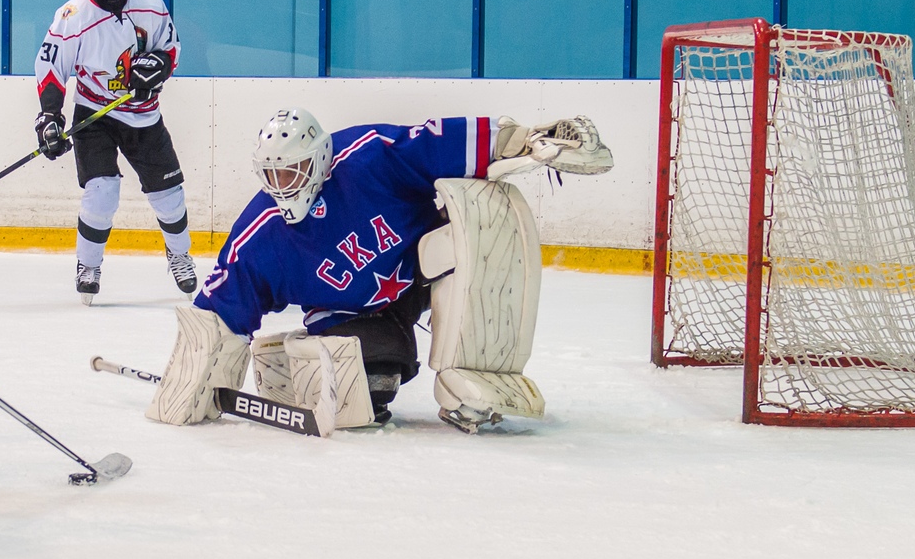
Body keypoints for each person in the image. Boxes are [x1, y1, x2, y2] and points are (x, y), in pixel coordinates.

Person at [149, 109, 613, 433]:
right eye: (272, 176)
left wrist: (525, 140)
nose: (282, 186)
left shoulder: (369, 158)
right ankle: (294, 364)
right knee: (377, 383)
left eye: (292, 172)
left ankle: (477, 373)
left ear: (321, 161)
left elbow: (438, 142)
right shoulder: (262, 236)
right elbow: (218, 312)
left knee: (471, 234)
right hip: (352, 313)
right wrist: (192, 384)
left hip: (417, 273)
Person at [33, 0, 191, 304]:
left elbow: (170, 50)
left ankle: (180, 255)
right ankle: (88, 266)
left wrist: (158, 66)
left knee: (170, 197)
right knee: (101, 193)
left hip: (144, 118)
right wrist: (49, 117)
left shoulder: (152, 8)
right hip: (94, 115)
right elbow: (52, 68)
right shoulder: (73, 17)